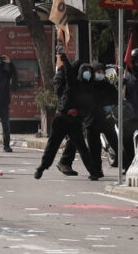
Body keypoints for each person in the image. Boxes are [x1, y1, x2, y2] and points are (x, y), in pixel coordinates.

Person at [34, 49, 100, 180]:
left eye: (89, 71)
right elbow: (69, 72)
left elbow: (88, 108)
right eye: (85, 70)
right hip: (62, 119)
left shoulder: (90, 90)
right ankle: (42, 167)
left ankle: (94, 172)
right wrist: (64, 58)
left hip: (75, 123)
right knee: (52, 145)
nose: (88, 73)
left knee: (82, 148)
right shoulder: (73, 83)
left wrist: (78, 113)